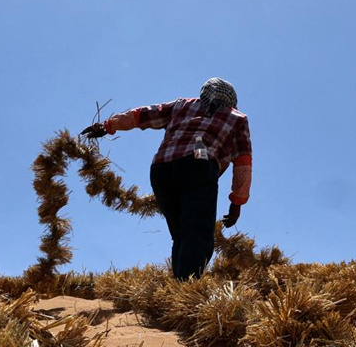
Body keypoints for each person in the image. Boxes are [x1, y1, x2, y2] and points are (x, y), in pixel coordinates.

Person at [81, 78, 252, 281]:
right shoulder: (237, 117)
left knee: (180, 234)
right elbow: (243, 162)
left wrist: (108, 125)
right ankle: (187, 286)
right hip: (199, 160)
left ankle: (179, 283)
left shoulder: (181, 105)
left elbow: (143, 115)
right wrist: (237, 203)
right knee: (197, 233)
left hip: (162, 169)